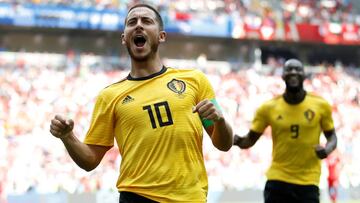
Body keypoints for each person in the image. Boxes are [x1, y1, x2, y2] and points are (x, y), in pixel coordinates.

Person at [49, 3, 233, 203]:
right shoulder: (110, 96)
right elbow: (90, 160)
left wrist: (221, 120)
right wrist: (67, 137)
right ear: (124, 38)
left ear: (161, 36)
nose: (138, 25)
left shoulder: (194, 80)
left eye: (146, 21)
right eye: (131, 22)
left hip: (190, 198)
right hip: (137, 197)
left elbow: (223, 144)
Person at [233, 58, 337, 203]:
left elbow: (332, 137)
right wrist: (234, 140)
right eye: (289, 69)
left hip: (308, 181)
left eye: (297, 69)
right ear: (282, 75)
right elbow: (249, 140)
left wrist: (327, 150)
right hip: (278, 179)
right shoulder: (268, 108)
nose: (293, 72)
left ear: (304, 75)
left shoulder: (320, 105)